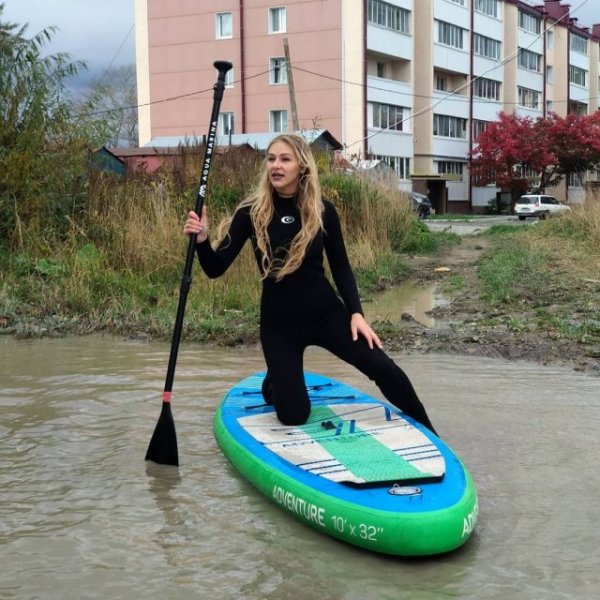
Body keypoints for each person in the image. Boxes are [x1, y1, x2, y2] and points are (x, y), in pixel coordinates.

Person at [184, 133, 437, 434]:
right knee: (294, 415)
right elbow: (215, 268)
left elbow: (341, 267)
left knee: (383, 368)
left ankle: (431, 431)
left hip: (325, 315)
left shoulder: (322, 211)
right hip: (280, 325)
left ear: (302, 166)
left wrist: (356, 313)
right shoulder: (250, 213)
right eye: (271, 159)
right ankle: (275, 381)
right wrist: (201, 241)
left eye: (285, 159)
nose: (275, 166)